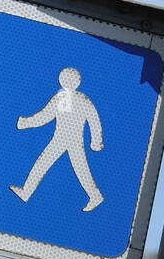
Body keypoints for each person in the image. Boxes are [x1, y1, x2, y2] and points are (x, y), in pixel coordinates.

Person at [10, 67, 104, 212]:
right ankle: (26, 191)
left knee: (80, 169)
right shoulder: (60, 98)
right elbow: (45, 116)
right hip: (60, 137)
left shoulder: (82, 100)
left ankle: (95, 195)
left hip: (73, 140)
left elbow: (94, 120)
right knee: (44, 163)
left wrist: (96, 142)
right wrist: (25, 123)